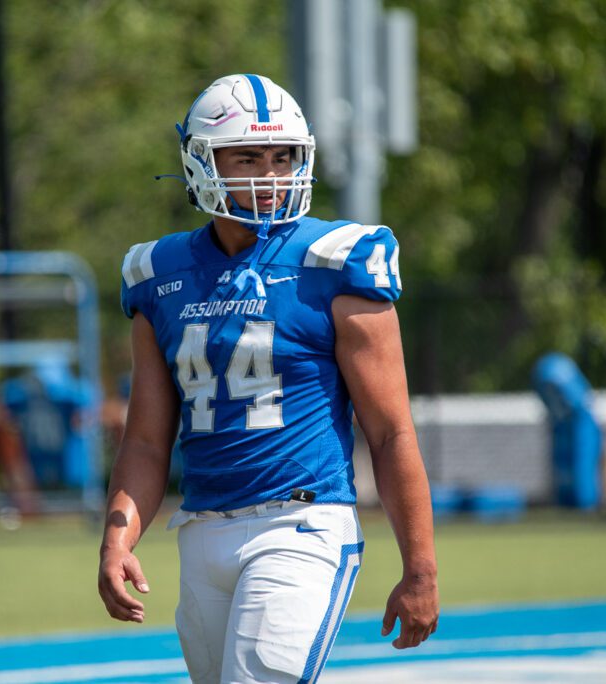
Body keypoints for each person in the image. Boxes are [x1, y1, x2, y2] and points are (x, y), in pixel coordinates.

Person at [98, 73, 439, 684]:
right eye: (247, 155)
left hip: (300, 526)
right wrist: (116, 540)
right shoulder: (159, 274)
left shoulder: (336, 261)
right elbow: (146, 441)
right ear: (202, 162)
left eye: (283, 156)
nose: (269, 174)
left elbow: (391, 433)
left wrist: (421, 568)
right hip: (200, 532)